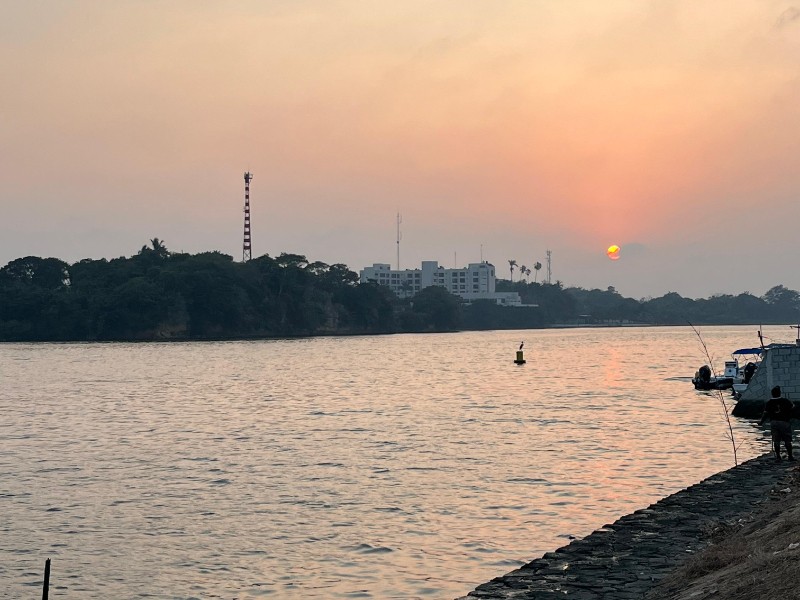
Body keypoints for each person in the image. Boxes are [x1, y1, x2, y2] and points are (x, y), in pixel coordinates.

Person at [759, 386, 795, 462]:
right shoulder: (785, 401)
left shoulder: (769, 402)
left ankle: (778, 456)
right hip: (784, 422)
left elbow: (765, 413)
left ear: (772, 394)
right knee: (787, 440)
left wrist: (761, 422)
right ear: (779, 393)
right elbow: (793, 407)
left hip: (774, 422)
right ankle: (790, 456)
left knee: (776, 440)